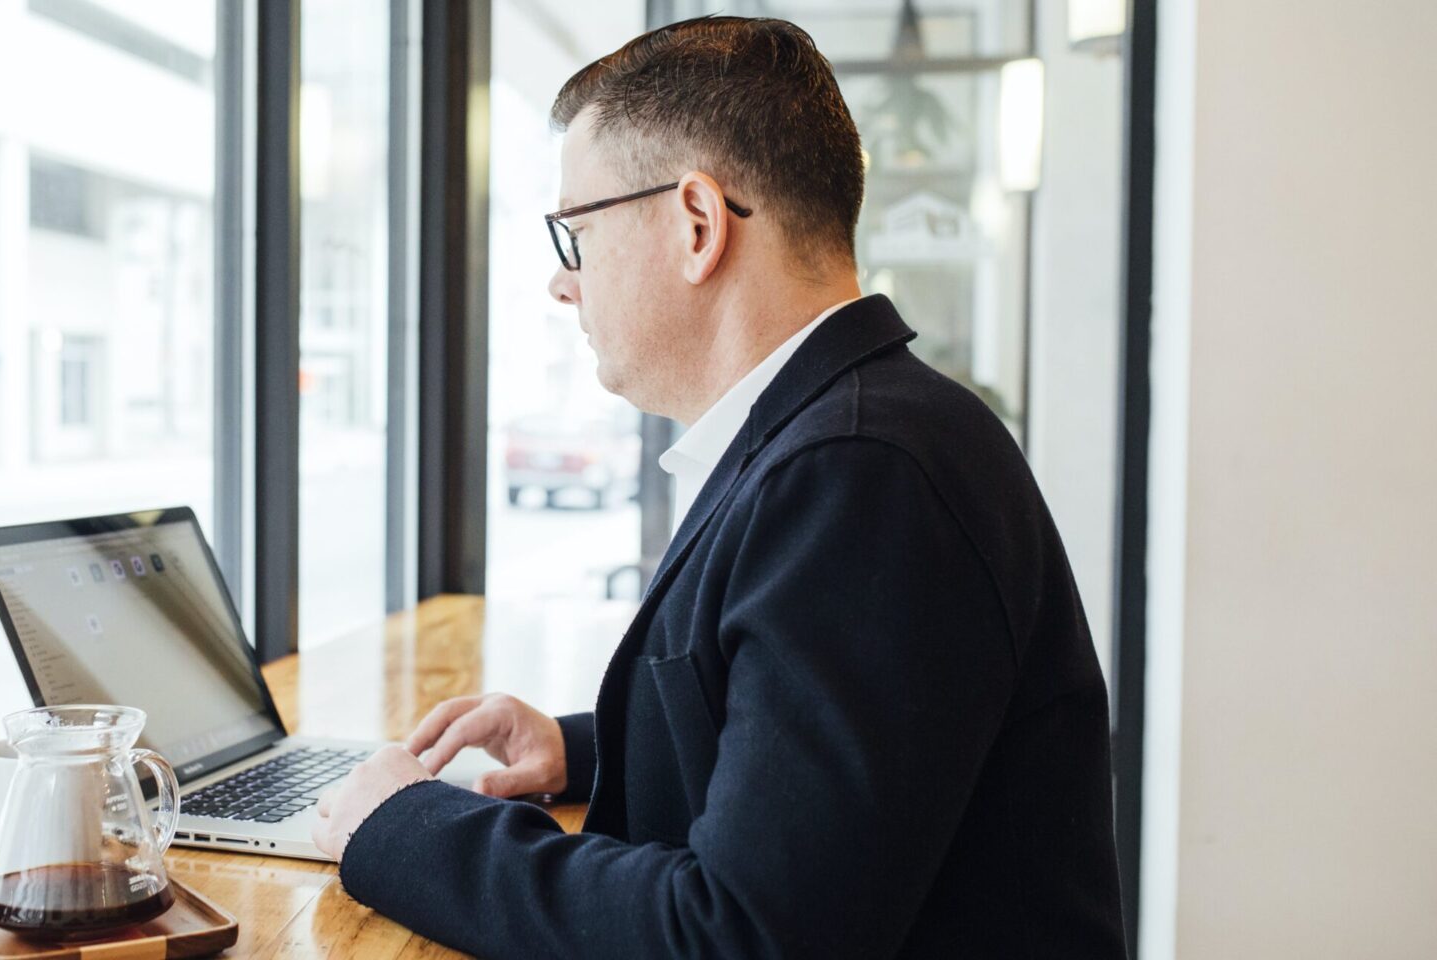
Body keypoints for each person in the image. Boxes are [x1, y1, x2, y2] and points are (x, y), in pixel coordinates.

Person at [312, 15, 1126, 958]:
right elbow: (811, 739)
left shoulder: (862, 473)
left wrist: (404, 827)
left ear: (697, 225)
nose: (560, 283)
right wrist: (584, 749)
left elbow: (738, 937)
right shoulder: (849, 428)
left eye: (577, 233)